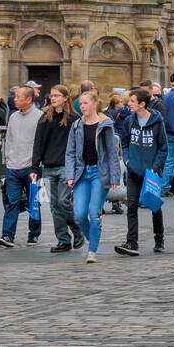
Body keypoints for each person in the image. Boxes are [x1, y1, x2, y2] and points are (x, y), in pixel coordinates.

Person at [65, 90, 120, 262]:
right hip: (82, 173)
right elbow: (70, 152)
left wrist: (114, 177)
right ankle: (92, 238)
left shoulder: (106, 124)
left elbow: (112, 152)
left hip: (99, 172)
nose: (82, 106)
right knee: (80, 214)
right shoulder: (76, 125)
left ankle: (92, 251)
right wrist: (70, 174)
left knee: (94, 213)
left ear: (95, 104)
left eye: (86, 103)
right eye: (81, 104)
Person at [30, 84, 84, 253]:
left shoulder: (74, 119)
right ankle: (63, 239)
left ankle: (77, 229)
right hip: (48, 167)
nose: (53, 99)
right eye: (51, 96)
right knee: (54, 206)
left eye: (56, 96)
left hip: (67, 168)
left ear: (65, 98)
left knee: (63, 201)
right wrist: (34, 166)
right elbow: (38, 143)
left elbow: (79, 145)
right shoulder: (45, 118)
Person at [114, 86, 168, 255]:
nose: (128, 103)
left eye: (132, 101)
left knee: (154, 207)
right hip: (133, 171)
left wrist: (155, 167)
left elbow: (163, 148)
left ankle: (159, 239)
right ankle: (132, 242)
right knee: (131, 206)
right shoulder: (130, 120)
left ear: (142, 104)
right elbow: (124, 142)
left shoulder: (157, 122)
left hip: (150, 172)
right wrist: (128, 159)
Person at [0, 86, 43, 248]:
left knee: (34, 202)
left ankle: (34, 234)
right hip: (13, 167)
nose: (14, 99)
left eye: (18, 96)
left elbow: (41, 143)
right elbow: (8, 140)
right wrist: (8, 160)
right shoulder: (13, 116)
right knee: (12, 202)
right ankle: (7, 235)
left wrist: (37, 164)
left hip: (32, 168)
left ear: (29, 99)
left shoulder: (40, 117)